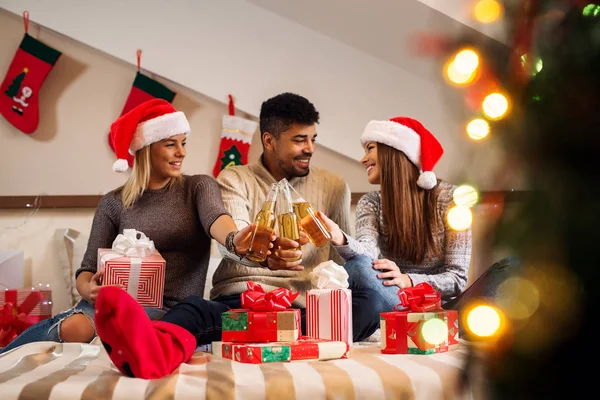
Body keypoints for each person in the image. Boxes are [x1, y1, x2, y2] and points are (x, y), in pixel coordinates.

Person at [91, 93, 386, 379]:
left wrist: (341, 250)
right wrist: (260, 251)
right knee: (194, 311)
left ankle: (272, 334)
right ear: (269, 140)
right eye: (299, 140)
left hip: (305, 307)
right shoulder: (234, 178)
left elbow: (341, 266)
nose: (309, 148)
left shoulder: (334, 185)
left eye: (313, 139)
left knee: (371, 302)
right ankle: (150, 350)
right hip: (244, 301)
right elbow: (231, 242)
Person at [0, 99, 259, 354]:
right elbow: (87, 269)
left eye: (183, 143)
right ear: (146, 148)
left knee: (110, 329)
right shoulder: (113, 202)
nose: (182, 152)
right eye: (171, 144)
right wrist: (89, 290)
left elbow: (217, 218)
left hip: (174, 311)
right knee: (72, 328)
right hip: (114, 304)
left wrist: (234, 239)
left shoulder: (198, 187)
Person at [319, 116, 519, 317]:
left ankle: (452, 325)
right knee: (357, 267)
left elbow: (457, 279)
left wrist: (408, 279)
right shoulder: (371, 203)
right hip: (399, 301)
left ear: (395, 151)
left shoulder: (451, 199)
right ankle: (441, 327)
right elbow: (367, 253)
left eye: (370, 148)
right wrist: (340, 237)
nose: (363, 159)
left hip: (445, 306)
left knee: (510, 266)